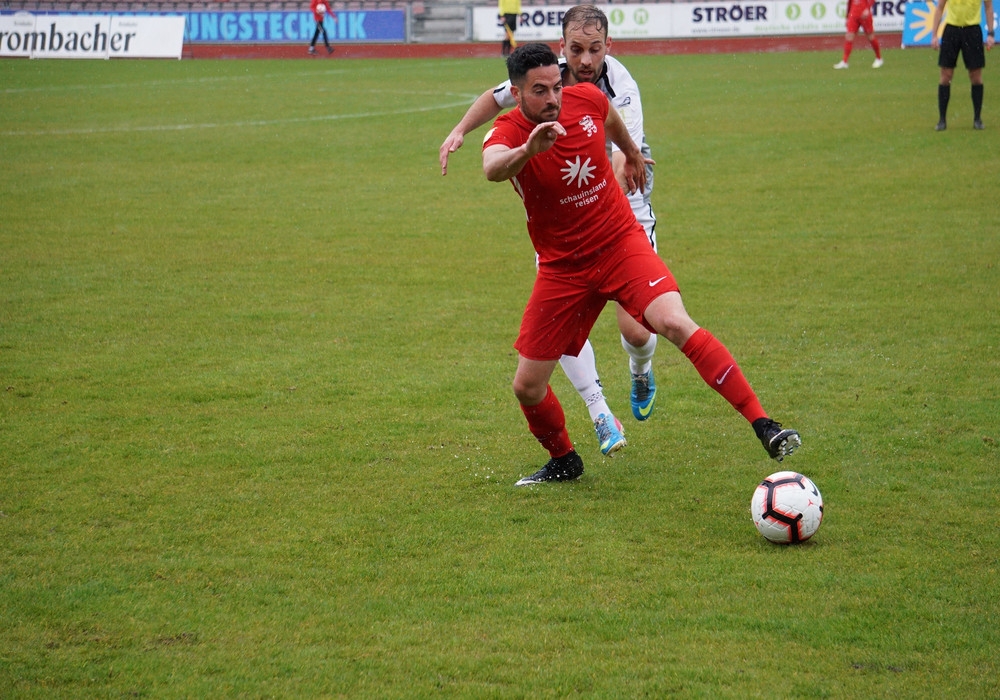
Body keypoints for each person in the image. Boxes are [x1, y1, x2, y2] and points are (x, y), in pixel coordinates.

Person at [480, 43, 801, 486]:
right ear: (517, 94)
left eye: (556, 87)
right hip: (562, 268)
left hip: (618, 244)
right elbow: (492, 168)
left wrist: (630, 151)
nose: (553, 98)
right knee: (527, 387)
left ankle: (765, 425)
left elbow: (611, 116)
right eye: (540, 91)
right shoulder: (508, 130)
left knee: (673, 322)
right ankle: (565, 460)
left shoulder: (585, 98)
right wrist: (527, 152)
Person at [440, 6, 660, 457]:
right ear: (563, 47)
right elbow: (496, 96)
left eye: (593, 50)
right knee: (559, 320)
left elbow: (622, 156)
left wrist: (600, 216)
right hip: (565, 213)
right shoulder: (547, 77)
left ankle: (641, 369)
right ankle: (601, 413)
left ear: (608, 47)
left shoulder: (622, 88)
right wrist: (460, 130)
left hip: (622, 201)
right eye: (576, 50)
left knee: (637, 332)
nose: (584, 60)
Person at [932, 0, 995, 130]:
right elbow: (940, 8)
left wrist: (990, 33)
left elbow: (988, 7)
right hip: (951, 30)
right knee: (945, 75)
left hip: (972, 31)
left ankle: (977, 119)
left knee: (976, 76)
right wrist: (934, 35)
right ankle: (942, 120)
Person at [833, 0, 883, 69]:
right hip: (853, 15)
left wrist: (867, 8)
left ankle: (879, 58)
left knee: (870, 37)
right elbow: (849, 3)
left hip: (865, 16)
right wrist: (847, 16)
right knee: (849, 36)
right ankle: (844, 62)